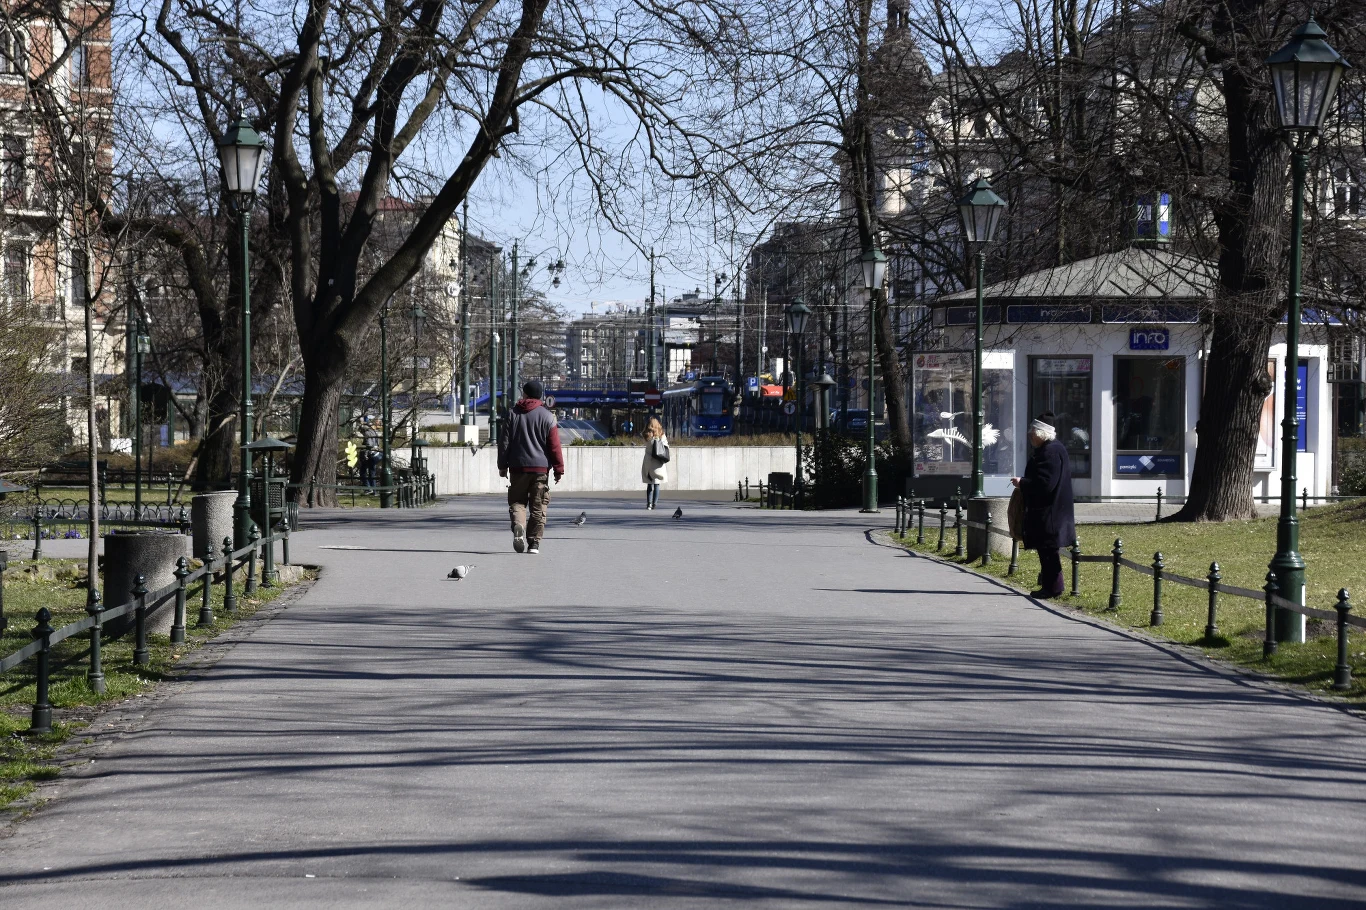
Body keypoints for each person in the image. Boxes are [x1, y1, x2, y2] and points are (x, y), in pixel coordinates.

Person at [1011, 412, 1075, 597]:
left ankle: (1053, 588)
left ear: (1042, 433)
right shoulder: (1052, 449)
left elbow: (1045, 484)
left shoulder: (1050, 452)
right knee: (1047, 551)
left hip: (1051, 513)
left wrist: (1022, 483)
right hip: (1052, 512)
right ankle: (1053, 586)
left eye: (1033, 431)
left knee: (1048, 551)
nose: (1030, 434)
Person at [497, 379, 564, 554]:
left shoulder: (513, 414)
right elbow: (554, 446)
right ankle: (534, 543)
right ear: (540, 396)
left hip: (518, 467)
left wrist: (502, 465)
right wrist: (558, 469)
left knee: (517, 501)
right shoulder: (548, 416)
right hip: (540, 469)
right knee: (538, 505)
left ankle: (519, 525)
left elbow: (504, 442)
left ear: (525, 394)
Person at [641, 417, 669, 510]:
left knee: (649, 483)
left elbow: (647, 444)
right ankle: (654, 504)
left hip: (649, 461)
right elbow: (666, 446)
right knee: (657, 483)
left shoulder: (647, 435)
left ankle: (648, 503)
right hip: (658, 462)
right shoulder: (661, 434)